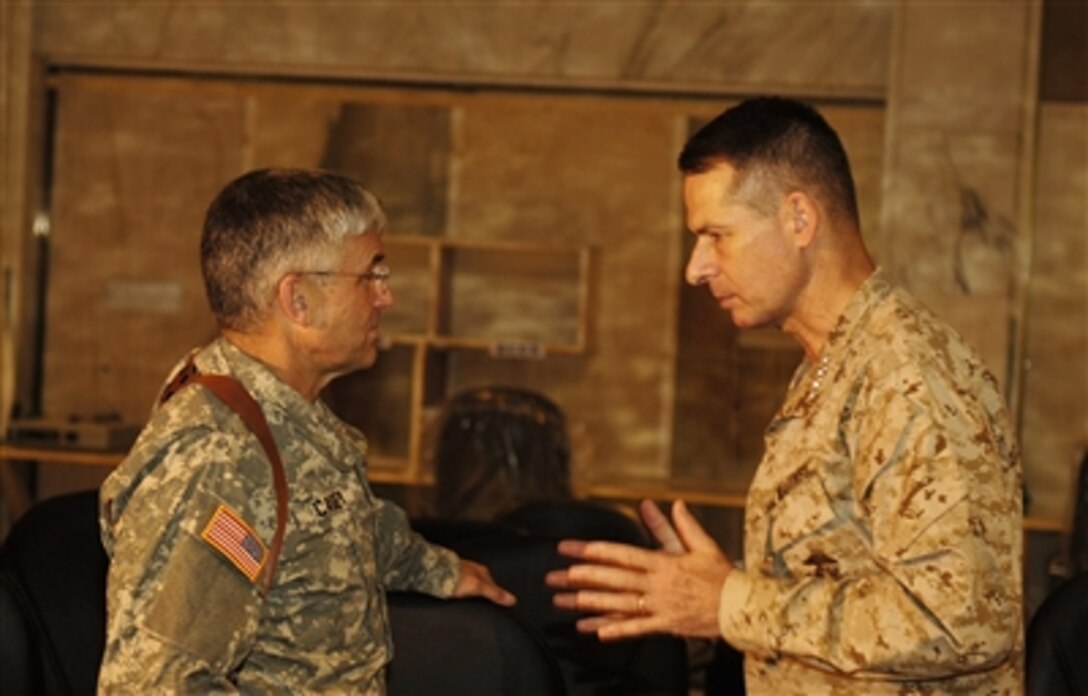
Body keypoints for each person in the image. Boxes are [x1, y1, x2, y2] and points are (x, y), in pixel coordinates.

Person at [547, 97, 1023, 694]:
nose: (696, 269)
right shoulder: (834, 360)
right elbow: (849, 573)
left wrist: (729, 601)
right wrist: (708, 589)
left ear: (799, 219)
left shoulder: (908, 375)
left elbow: (965, 622)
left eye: (716, 236)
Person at [98, 168, 514, 693]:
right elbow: (151, 686)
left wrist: (436, 571)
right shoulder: (217, 458)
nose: (386, 298)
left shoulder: (286, 416)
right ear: (298, 301)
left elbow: (336, 524)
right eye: (372, 275)